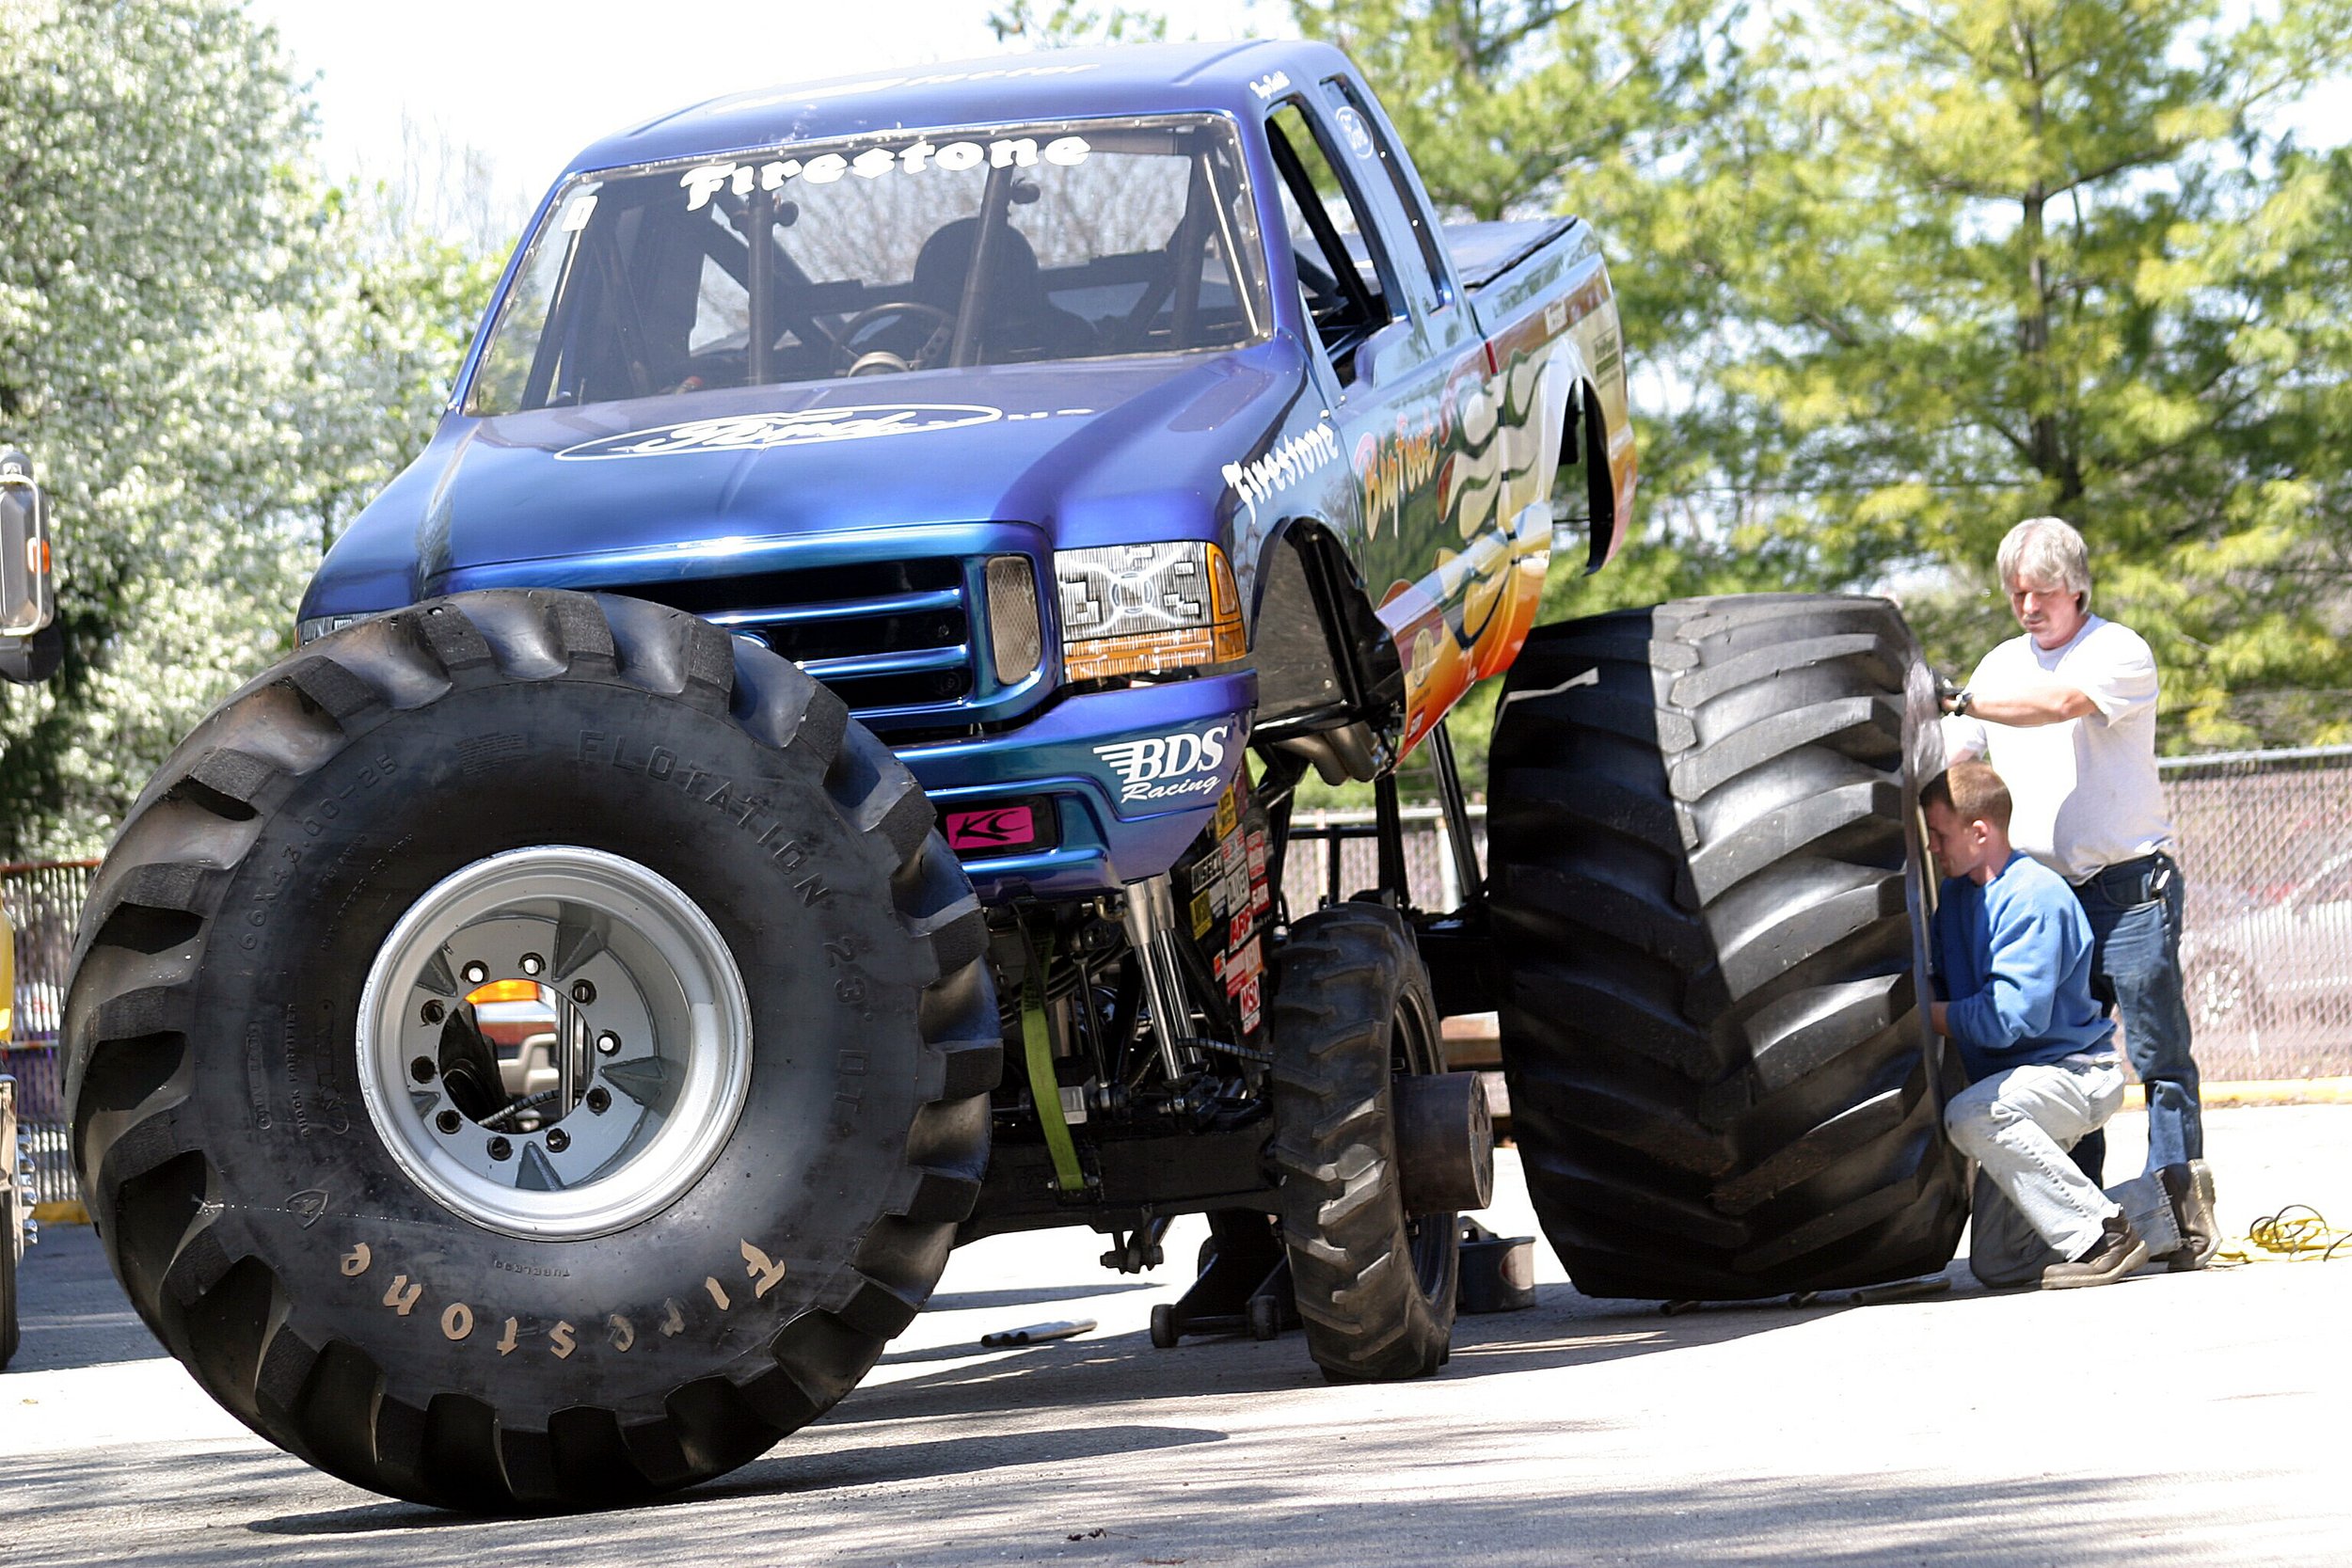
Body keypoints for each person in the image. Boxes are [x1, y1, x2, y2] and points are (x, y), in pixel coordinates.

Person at [1940, 517, 2209, 1218]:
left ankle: (2177, 1204)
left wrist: (1960, 700)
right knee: (2058, 1061)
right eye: (2016, 593)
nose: (2028, 606)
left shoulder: (2118, 650)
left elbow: (2060, 705)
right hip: (2045, 896)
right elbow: (1956, 750)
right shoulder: (1999, 666)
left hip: (2128, 890)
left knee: (2159, 1057)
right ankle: (2088, 1218)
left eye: (2043, 591)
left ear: (2078, 587)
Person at [1925, 763, 2217, 1288]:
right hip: (2020, 1089)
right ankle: (2170, 1202)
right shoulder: (1957, 898)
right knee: (2000, 1261)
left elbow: (2009, 1017)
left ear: (1979, 831)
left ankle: (2106, 1237)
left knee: (1970, 1115)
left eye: (1939, 834)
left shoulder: (2034, 895)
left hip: (2075, 1076)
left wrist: (1926, 1018)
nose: (1931, 848)